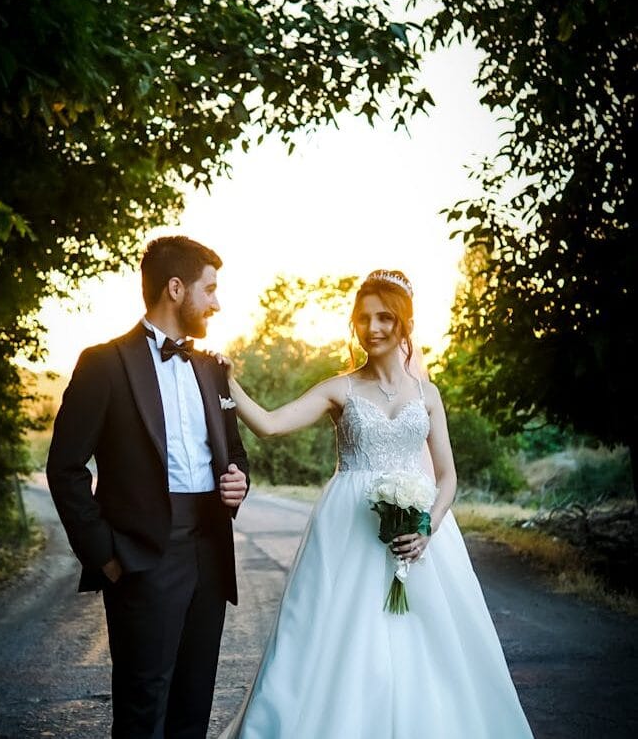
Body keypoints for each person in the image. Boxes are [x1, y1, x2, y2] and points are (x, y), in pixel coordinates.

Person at [216, 270, 533, 738]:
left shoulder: (428, 395)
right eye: (363, 319)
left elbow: (446, 476)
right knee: (340, 639)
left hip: (421, 534)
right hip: (348, 529)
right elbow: (269, 424)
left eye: (385, 317)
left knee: (430, 646)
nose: (374, 328)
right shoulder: (339, 389)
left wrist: (429, 527)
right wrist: (228, 381)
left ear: (404, 323)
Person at [46, 235, 250, 739]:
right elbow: (65, 467)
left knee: (194, 701)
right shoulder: (104, 363)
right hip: (142, 556)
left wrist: (238, 481)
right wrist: (104, 554)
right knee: (142, 709)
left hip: (210, 550)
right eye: (210, 290)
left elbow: (234, 451)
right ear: (176, 288)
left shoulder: (212, 369)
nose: (217, 303)